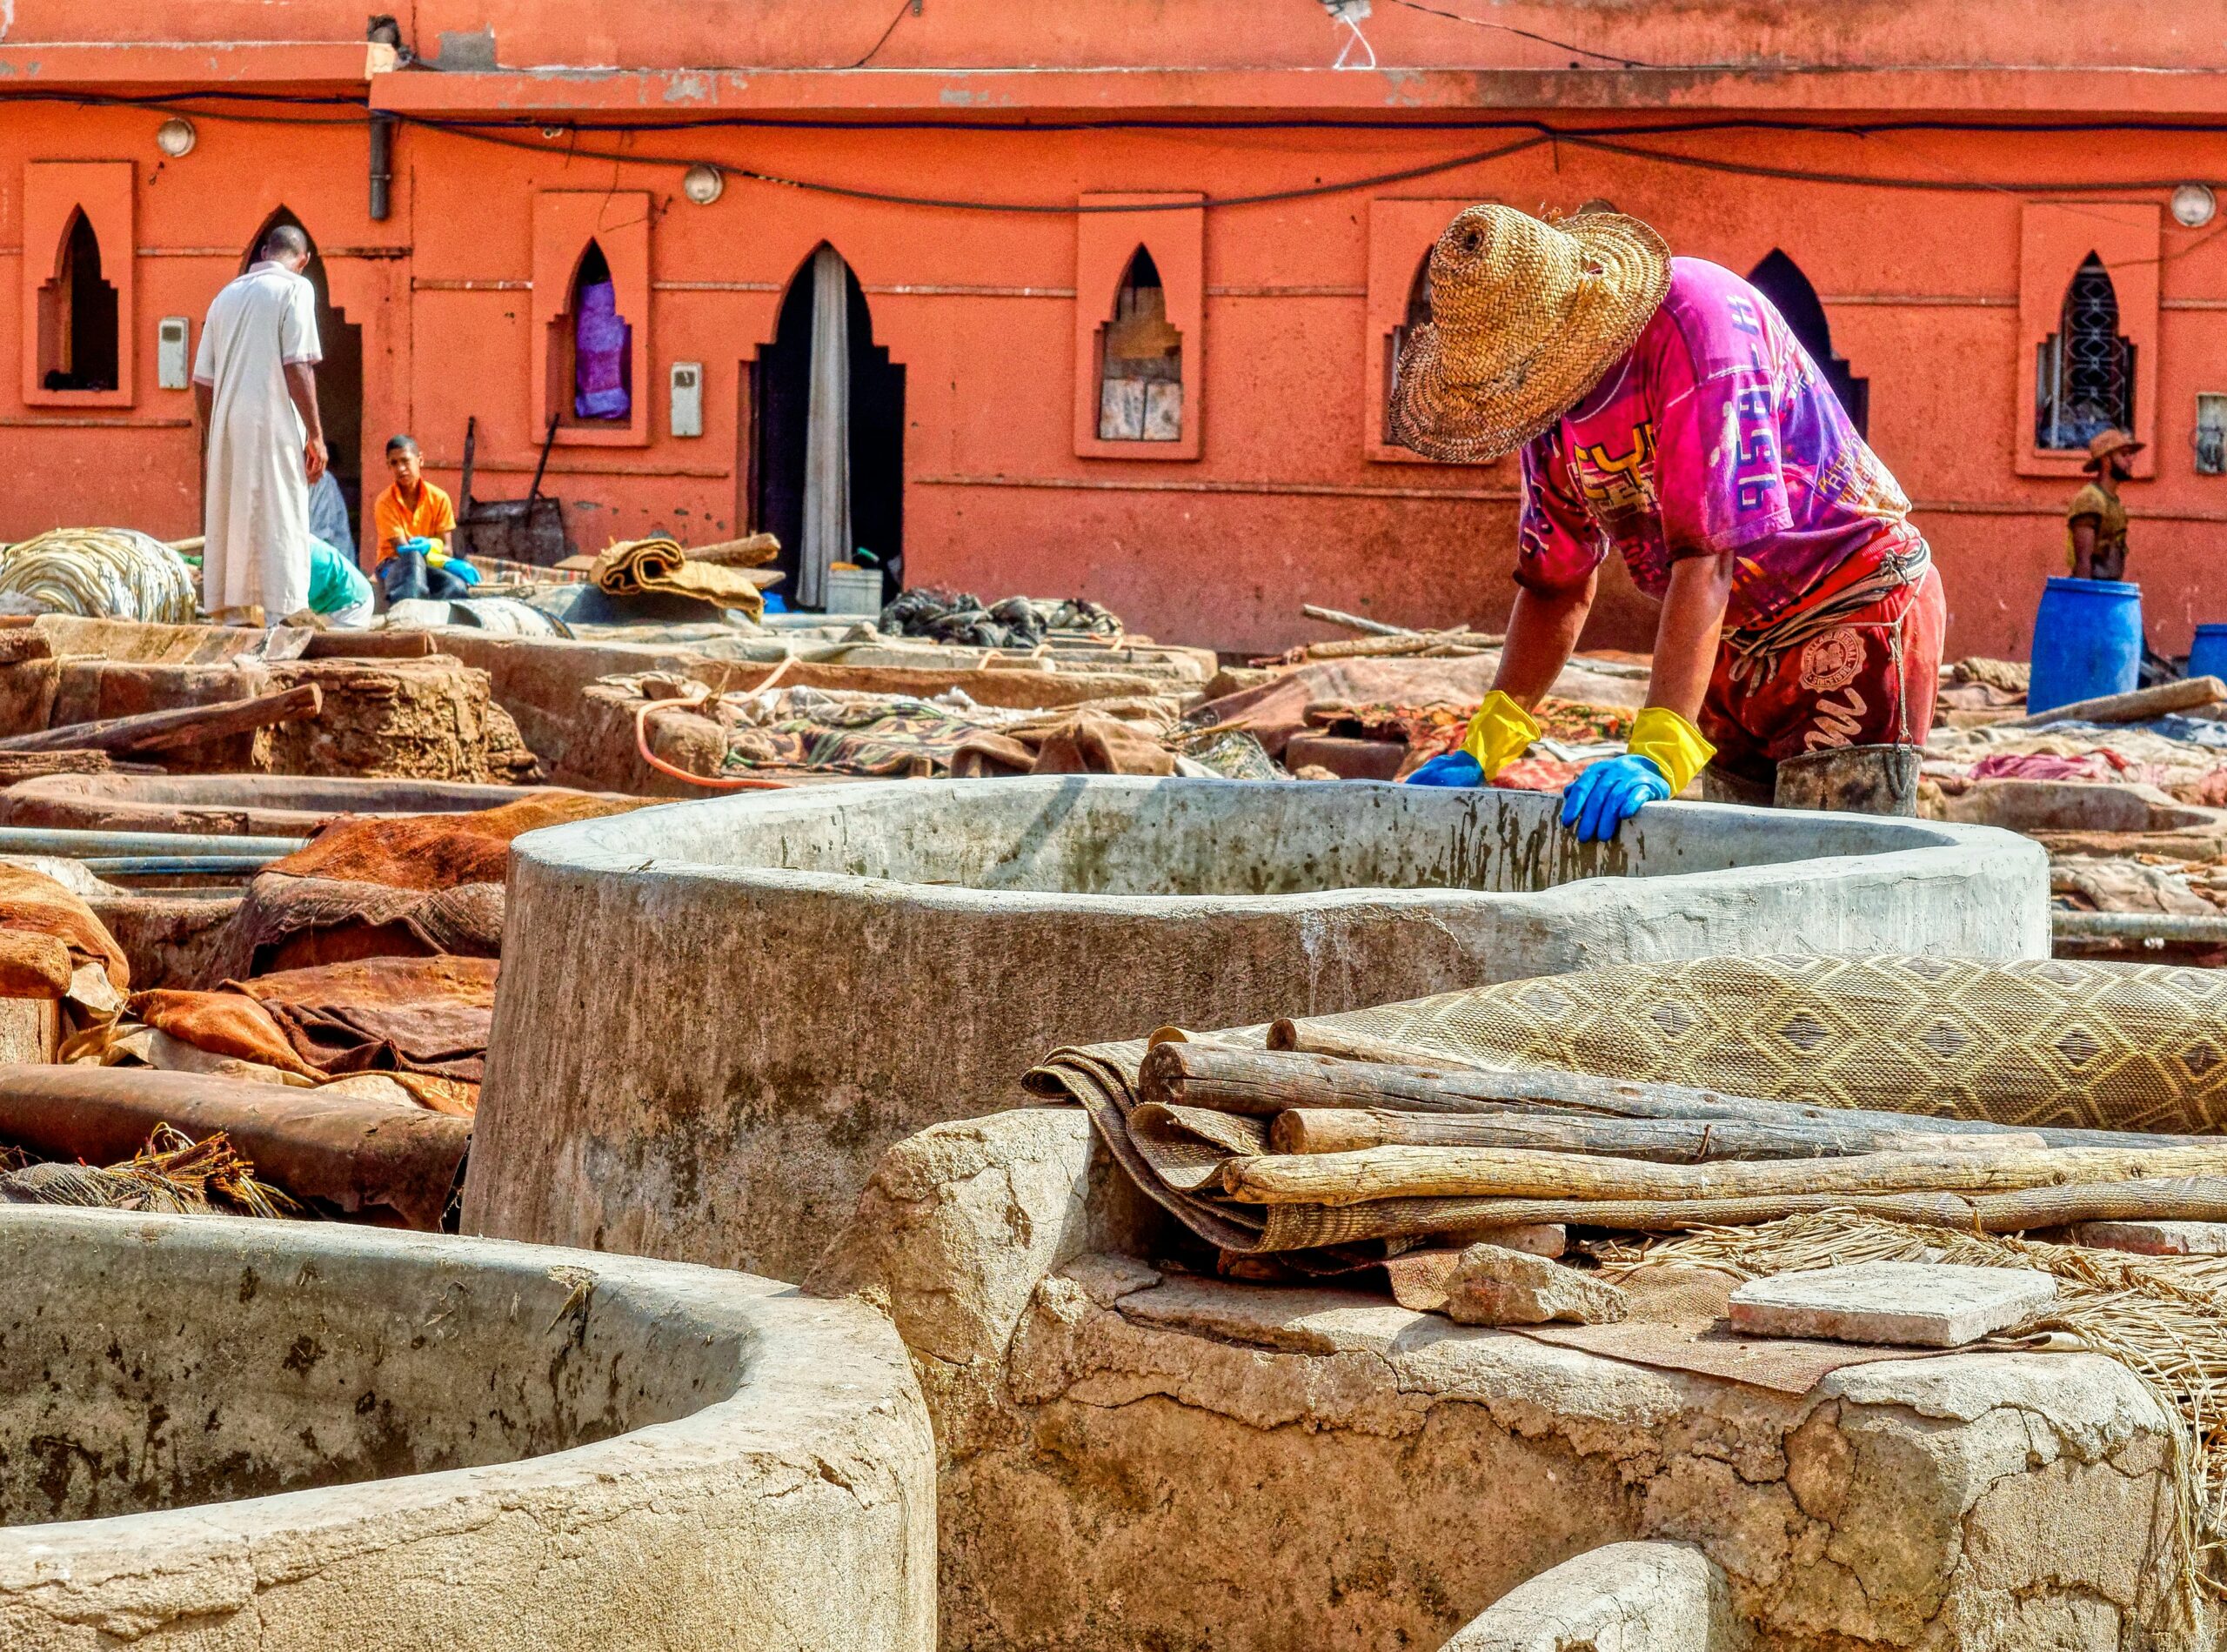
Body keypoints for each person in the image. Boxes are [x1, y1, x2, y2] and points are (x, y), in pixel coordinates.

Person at [1391, 204, 1944, 839]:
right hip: (1728, 645)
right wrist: (1486, 741)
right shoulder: (1544, 409)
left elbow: (1709, 556)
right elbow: (1556, 584)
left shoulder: (1695, 326)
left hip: (1849, 608)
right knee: (1738, 882)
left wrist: (1658, 746)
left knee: (1832, 881)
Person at [193, 225, 324, 625]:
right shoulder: (296, 289)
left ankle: (231, 619)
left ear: (265, 252)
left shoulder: (224, 296)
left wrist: (211, 433)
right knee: (282, 514)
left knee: (232, 515)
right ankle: (283, 616)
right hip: (275, 423)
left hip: (228, 423)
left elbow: (202, 381)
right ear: (302, 261)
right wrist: (316, 434)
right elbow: (297, 362)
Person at [371, 432, 477, 603]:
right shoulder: (385, 502)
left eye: (405, 461)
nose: (400, 468)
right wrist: (432, 552)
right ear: (388, 466)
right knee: (413, 566)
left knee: (455, 586)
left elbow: (447, 549)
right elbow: (403, 550)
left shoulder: (439, 498)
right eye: (394, 463)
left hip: (429, 564)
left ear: (420, 460)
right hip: (394, 565)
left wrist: (431, 547)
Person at [2067, 429, 2139, 582]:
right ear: (2106, 460)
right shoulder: (2090, 500)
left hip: (2108, 590)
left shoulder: (2112, 501)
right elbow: (2083, 562)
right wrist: (2086, 601)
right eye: (2123, 454)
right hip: (2093, 592)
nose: (2130, 460)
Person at [305, 535, 373, 628]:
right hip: (337, 600)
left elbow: (292, 609)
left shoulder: (303, 557)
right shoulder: (299, 540)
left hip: (350, 607)